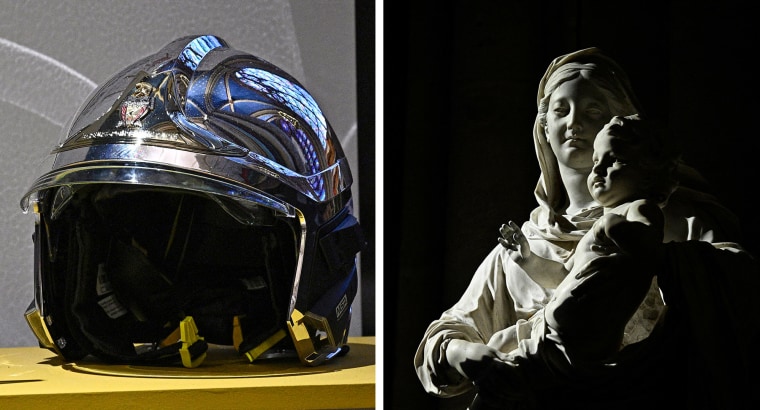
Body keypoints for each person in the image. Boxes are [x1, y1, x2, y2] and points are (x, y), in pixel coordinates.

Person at [414, 47, 759, 409]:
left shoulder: (670, 218)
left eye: (593, 111)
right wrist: (467, 356)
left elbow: (739, 280)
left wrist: (660, 263)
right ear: (544, 128)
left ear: (619, 123)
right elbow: (448, 336)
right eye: (561, 111)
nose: (574, 124)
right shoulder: (520, 249)